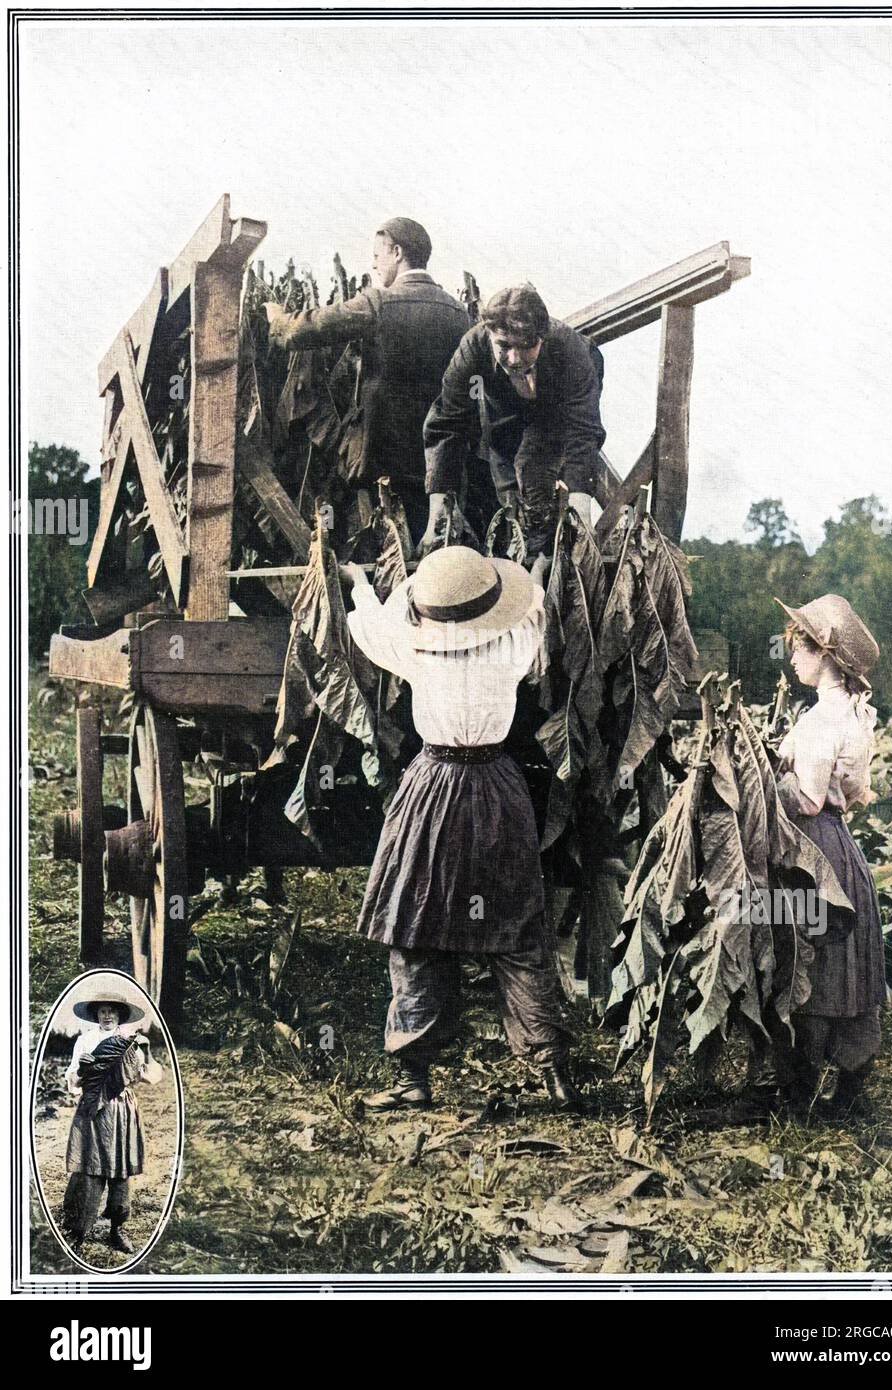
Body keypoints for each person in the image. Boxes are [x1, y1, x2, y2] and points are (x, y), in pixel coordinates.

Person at [341, 545, 578, 1112]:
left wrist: (356, 579)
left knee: (414, 925)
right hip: (499, 786)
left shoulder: (416, 650)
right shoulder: (514, 644)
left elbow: (373, 629)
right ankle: (552, 1072)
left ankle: (412, 1080)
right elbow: (536, 609)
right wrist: (540, 569)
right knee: (516, 932)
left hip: (434, 786)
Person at [266, 217, 470, 539]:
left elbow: (305, 329)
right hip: (440, 469)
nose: (374, 265)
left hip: (383, 465)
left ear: (398, 252)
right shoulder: (459, 314)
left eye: (377, 256)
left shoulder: (379, 302)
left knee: (384, 556)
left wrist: (277, 318)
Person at [771, 593, 886, 1116]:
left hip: (813, 847)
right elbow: (855, 790)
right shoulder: (851, 713)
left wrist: (761, 784)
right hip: (840, 847)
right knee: (837, 962)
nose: (792, 655)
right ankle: (845, 1089)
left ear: (825, 655)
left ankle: (796, 1092)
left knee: (808, 961)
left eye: (800, 646)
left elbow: (808, 798)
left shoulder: (822, 720)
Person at [421, 283, 606, 558]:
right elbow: (448, 425)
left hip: (555, 412)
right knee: (506, 486)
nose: (515, 358)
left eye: (527, 346)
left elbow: (583, 432)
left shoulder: (572, 354)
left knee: (536, 476)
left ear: (542, 338)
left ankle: (546, 556)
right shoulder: (472, 351)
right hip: (505, 413)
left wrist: (581, 510)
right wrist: (438, 508)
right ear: (489, 334)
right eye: (504, 346)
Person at [62, 991, 161, 1253]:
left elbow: (150, 1077)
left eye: (112, 1011)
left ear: (120, 1015)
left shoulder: (131, 1042)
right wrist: (81, 1071)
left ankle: (117, 1229)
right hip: (93, 1108)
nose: (107, 1015)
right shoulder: (86, 1040)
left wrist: (147, 1051)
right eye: (103, 1011)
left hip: (121, 1109)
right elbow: (73, 1078)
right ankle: (79, 1229)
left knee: (121, 1166)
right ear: (96, 1014)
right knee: (90, 1166)